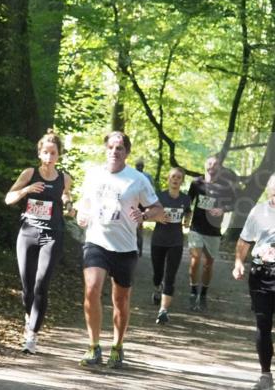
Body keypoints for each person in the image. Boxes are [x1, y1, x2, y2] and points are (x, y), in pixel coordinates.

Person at [76, 131, 164, 369]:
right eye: (111, 147)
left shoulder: (137, 179)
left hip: (125, 247)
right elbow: (84, 204)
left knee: (121, 299)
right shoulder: (93, 175)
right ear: (105, 149)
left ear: (127, 152)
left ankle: (117, 345)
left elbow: (159, 210)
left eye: (120, 148)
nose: (115, 151)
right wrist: (81, 215)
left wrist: (144, 214)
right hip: (96, 241)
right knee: (92, 289)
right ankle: (93, 346)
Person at [5, 131, 73, 354]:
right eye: (46, 152)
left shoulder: (64, 178)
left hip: (52, 235)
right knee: (27, 288)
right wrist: (26, 190)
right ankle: (29, 317)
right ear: (40, 153)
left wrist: (70, 205)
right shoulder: (30, 173)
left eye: (53, 153)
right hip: (27, 233)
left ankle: (32, 336)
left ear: (58, 155)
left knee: (41, 284)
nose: (49, 156)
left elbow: (68, 201)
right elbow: (8, 199)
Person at [232, 173, 275, 390]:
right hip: (262, 275)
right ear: (269, 190)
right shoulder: (259, 211)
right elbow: (244, 239)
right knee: (263, 325)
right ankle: (265, 374)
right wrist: (239, 261)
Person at [187, 155, 236, 311]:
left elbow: (234, 203)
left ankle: (203, 295)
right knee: (195, 261)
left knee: (208, 265)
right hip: (196, 228)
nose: (212, 166)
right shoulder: (196, 183)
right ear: (205, 165)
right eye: (209, 163)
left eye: (215, 164)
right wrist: (185, 215)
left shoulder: (225, 186)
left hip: (214, 231)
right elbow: (188, 201)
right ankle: (194, 292)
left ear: (219, 168)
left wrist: (222, 209)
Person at [150, 167, 192, 324]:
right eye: (173, 176)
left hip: (176, 241)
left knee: (170, 276)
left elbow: (188, 211)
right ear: (168, 179)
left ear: (181, 181)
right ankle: (156, 288)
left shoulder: (185, 198)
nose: (175, 180)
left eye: (179, 177)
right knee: (158, 273)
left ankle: (163, 311)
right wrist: (156, 218)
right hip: (158, 240)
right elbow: (148, 212)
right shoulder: (158, 196)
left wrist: (187, 218)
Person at [133, 158, 154, 257]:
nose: (139, 168)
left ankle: (139, 249)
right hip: (132, 202)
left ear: (143, 167)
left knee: (139, 226)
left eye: (141, 166)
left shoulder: (147, 176)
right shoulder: (130, 175)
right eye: (138, 166)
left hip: (142, 203)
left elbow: (151, 191)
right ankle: (134, 248)